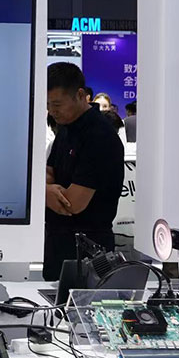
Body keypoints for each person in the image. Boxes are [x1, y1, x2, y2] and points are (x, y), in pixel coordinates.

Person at [44, 63, 125, 281]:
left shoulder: (99, 135)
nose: (52, 111)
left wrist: (43, 192)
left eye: (57, 104)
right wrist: (48, 190)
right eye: (48, 104)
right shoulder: (66, 128)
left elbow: (71, 204)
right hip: (57, 244)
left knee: (85, 300)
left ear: (81, 95)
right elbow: (48, 173)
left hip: (89, 251)